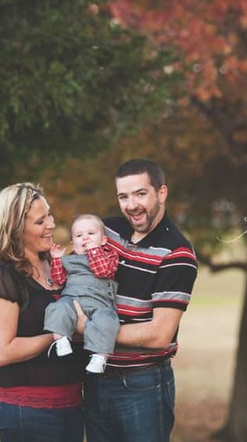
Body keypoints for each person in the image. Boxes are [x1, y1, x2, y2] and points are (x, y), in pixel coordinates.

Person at [83, 158, 199, 442]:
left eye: (140, 194)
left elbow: (159, 335)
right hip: (95, 379)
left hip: (141, 386)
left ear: (162, 193)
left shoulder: (176, 253)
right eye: (123, 196)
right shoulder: (105, 231)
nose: (131, 205)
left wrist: (87, 330)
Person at [0, 182, 87, 442]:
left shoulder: (57, 265)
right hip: (27, 411)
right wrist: (59, 334)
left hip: (72, 404)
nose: (51, 224)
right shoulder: (3, 276)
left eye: (49, 214)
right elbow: (1, 352)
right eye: (40, 221)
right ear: (16, 229)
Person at [43, 213, 120, 374]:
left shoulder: (109, 257)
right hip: (72, 299)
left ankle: (100, 357)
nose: (85, 239)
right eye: (79, 236)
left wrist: (93, 252)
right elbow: (59, 280)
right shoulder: (71, 259)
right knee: (57, 308)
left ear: (104, 240)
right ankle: (61, 340)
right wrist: (57, 260)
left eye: (91, 234)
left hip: (100, 304)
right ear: (73, 243)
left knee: (107, 322)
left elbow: (101, 271)